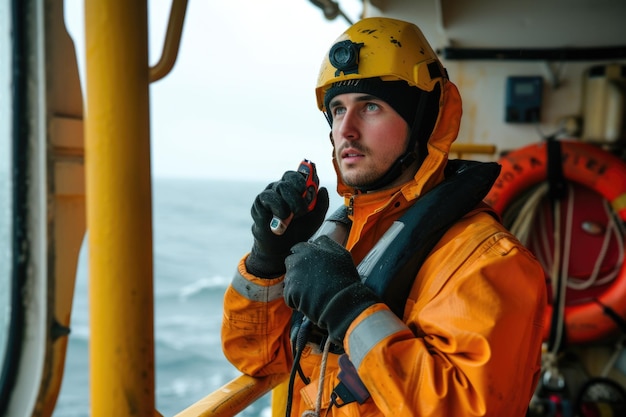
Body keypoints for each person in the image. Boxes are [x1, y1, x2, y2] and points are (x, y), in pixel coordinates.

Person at [221, 16, 547, 417]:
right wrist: (267, 261)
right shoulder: (345, 236)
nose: (347, 130)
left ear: (423, 120)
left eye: (371, 107)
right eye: (338, 110)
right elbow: (257, 359)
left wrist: (349, 307)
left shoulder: (488, 263)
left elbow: (466, 408)